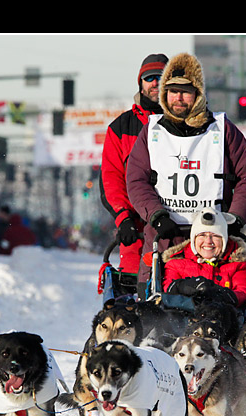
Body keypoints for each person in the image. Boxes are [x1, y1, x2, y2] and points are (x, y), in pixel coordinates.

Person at [126, 52, 246, 296]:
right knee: (157, 307)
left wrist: (235, 218)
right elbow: (136, 180)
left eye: (186, 91)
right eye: (172, 91)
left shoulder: (222, 130)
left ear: (198, 95)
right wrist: (156, 216)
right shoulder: (152, 132)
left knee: (225, 302)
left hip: (216, 238)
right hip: (166, 236)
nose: (178, 98)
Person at [99, 53, 168, 279]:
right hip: (137, 228)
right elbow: (112, 179)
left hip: (180, 226)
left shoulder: (187, 123)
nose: (155, 83)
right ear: (140, 83)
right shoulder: (120, 128)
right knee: (133, 291)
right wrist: (123, 218)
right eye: (149, 78)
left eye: (161, 76)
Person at [162, 208, 246, 308]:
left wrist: (219, 294)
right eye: (202, 235)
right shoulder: (176, 262)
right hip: (184, 316)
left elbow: (241, 293)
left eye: (215, 236)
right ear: (194, 239)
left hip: (224, 315)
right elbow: (168, 290)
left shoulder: (238, 264)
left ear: (224, 240)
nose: (208, 241)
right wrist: (185, 286)